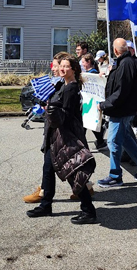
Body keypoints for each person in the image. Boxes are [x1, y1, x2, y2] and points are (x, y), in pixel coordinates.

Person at [26, 55, 97, 224]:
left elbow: (64, 115)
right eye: (62, 66)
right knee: (48, 170)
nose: (62, 69)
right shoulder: (64, 85)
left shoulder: (71, 88)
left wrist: (49, 109)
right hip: (56, 136)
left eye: (66, 67)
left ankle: (89, 211)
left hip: (66, 137)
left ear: (74, 70)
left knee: (73, 173)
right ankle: (46, 205)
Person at [97, 38, 137, 187]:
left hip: (121, 109)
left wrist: (105, 105)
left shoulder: (126, 64)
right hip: (122, 108)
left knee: (113, 141)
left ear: (116, 51)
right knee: (125, 138)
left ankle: (115, 175)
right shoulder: (124, 63)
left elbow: (121, 91)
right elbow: (119, 86)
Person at [81, 53, 107, 150]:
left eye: (83, 62)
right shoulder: (87, 73)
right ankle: (100, 142)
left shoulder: (94, 73)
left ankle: (82, 145)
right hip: (87, 101)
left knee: (87, 123)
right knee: (88, 123)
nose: (82, 64)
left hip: (92, 102)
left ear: (88, 62)